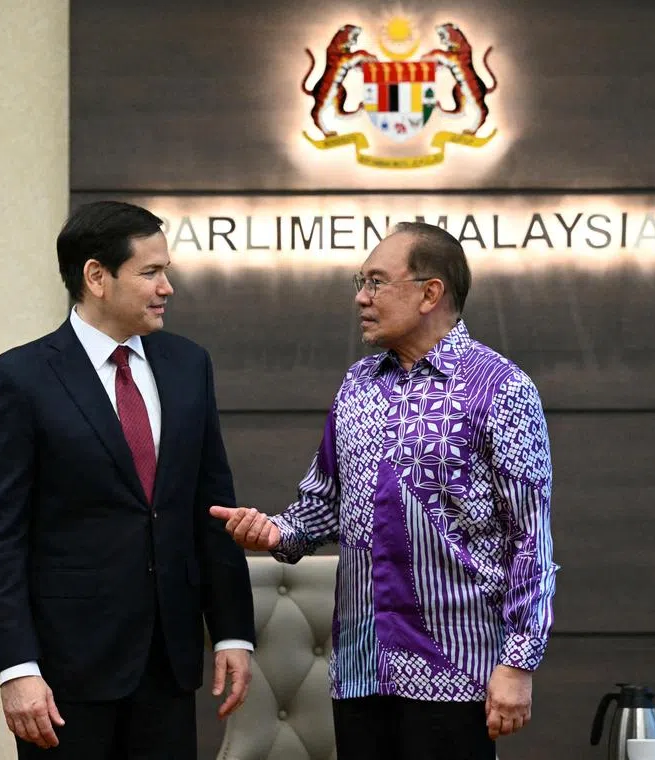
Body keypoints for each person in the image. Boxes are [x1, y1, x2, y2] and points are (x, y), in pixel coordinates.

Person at [211, 222, 558, 760]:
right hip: (360, 670)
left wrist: (518, 662)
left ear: (430, 292)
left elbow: (531, 542)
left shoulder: (501, 388)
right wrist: (274, 532)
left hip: (457, 670)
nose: (361, 297)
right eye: (360, 281)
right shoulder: (357, 385)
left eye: (376, 282)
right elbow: (323, 506)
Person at [0, 200, 255, 759]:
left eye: (165, 270)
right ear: (96, 277)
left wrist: (231, 632)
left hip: (169, 665)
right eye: (150, 272)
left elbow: (212, 506)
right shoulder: (19, 378)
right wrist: (16, 667)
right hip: (64, 674)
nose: (167, 287)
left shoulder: (188, 364)